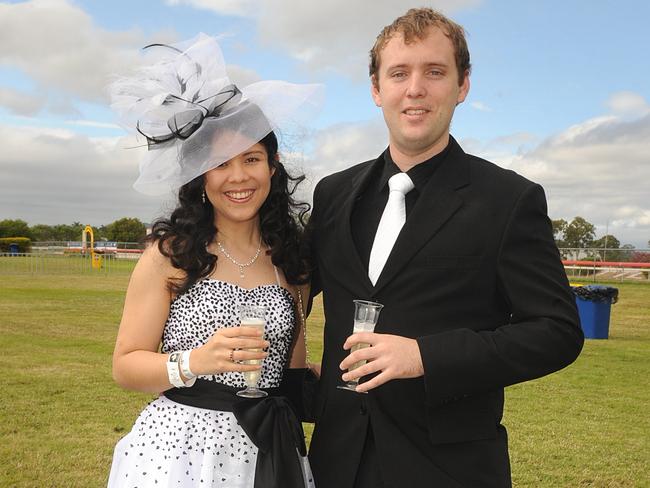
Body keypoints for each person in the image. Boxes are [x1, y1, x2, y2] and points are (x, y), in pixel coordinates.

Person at [306, 8, 584, 488]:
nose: (415, 89)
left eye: (435, 72)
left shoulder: (509, 200)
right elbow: (284, 283)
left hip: (447, 469)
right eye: (399, 73)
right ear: (377, 89)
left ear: (463, 85)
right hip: (336, 460)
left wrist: (425, 357)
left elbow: (557, 332)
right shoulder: (333, 194)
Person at [106, 34, 323, 488]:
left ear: (273, 166)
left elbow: (295, 372)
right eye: (221, 162)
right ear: (200, 172)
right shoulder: (170, 255)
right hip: (181, 451)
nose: (238, 176)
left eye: (252, 158)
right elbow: (125, 365)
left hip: (270, 447)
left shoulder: (292, 262)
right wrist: (194, 362)